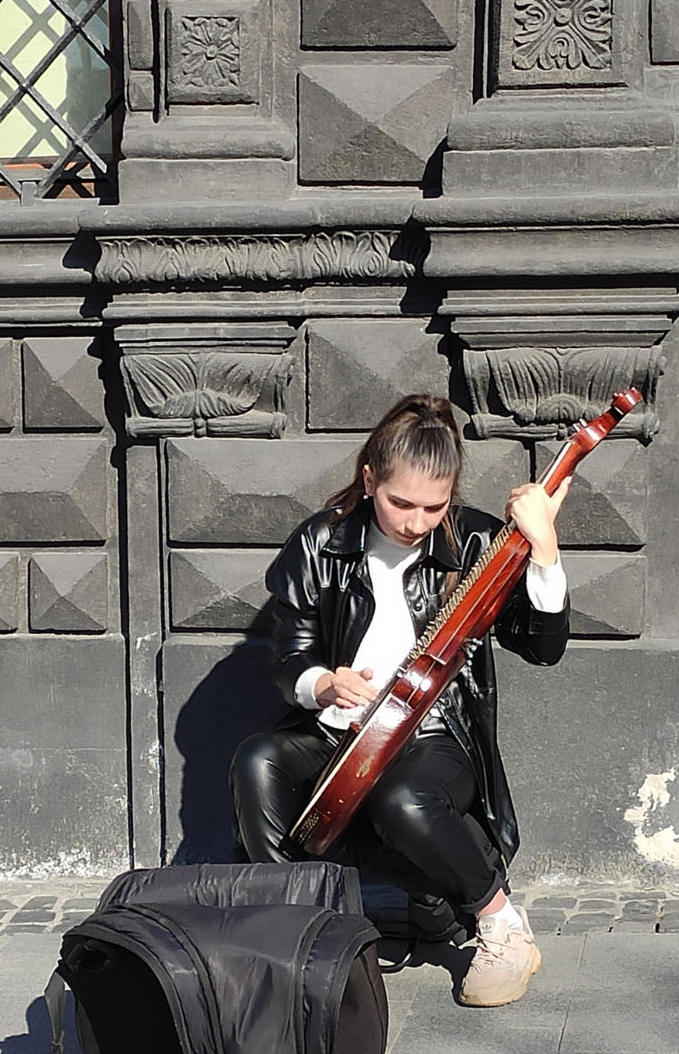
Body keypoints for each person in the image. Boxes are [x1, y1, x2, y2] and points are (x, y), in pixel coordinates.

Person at [230, 394, 571, 1007]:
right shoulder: (319, 544)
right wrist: (324, 683)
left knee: (401, 797)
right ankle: (302, 931)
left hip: (439, 735)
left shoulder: (473, 542)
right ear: (369, 480)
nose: (416, 522)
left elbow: (541, 648)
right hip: (343, 730)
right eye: (400, 502)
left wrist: (543, 551)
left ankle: (503, 928)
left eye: (433, 506)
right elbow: (287, 660)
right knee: (259, 761)